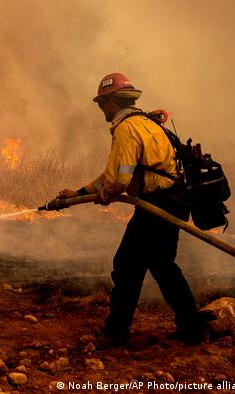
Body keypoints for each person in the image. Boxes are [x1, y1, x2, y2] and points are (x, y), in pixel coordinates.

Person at [57, 73, 204, 346]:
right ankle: (192, 328)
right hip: (173, 201)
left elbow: (120, 178)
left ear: (113, 101)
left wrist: (107, 195)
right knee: (162, 266)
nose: (101, 109)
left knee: (126, 266)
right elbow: (114, 173)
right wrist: (79, 193)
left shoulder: (126, 129)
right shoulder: (146, 122)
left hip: (156, 207)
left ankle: (116, 332)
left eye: (102, 103)